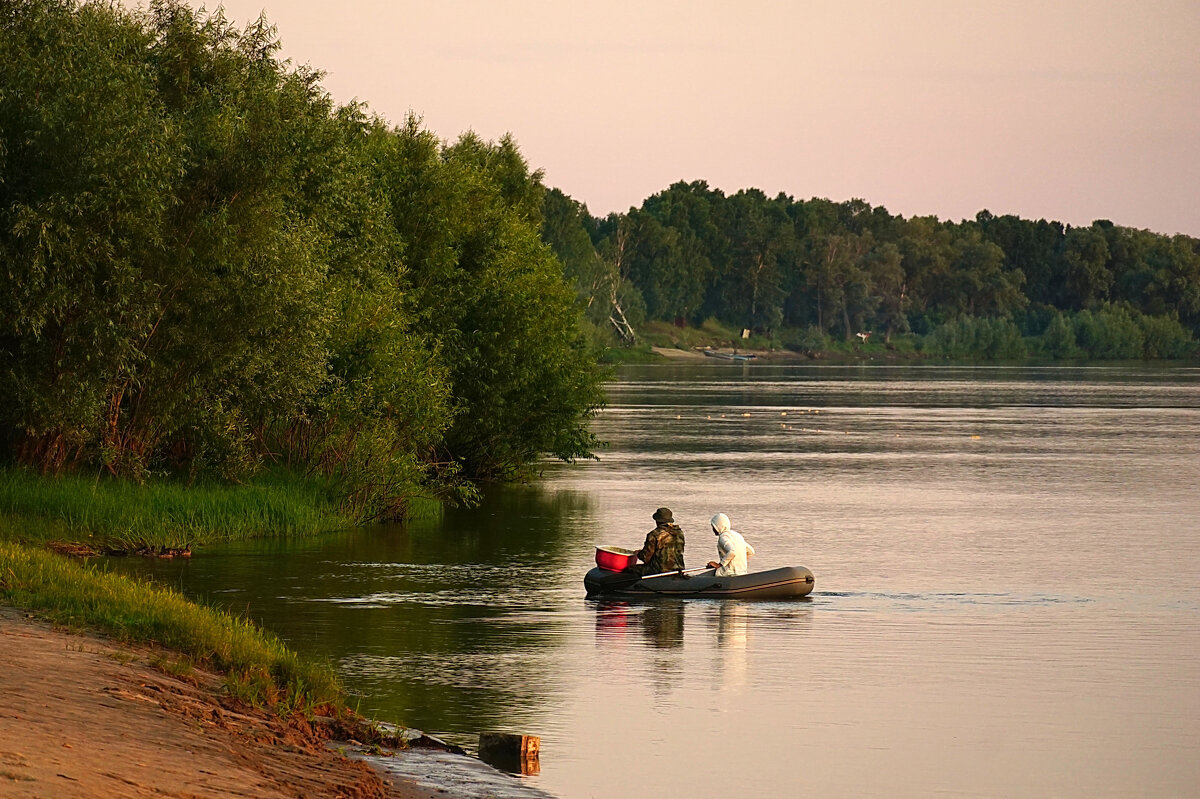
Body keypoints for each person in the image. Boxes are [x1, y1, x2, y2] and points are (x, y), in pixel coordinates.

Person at [636, 507, 685, 575]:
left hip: (659, 570)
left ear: (657, 520)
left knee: (630, 569)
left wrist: (638, 554)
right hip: (678, 569)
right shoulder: (679, 533)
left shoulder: (654, 534)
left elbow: (646, 558)